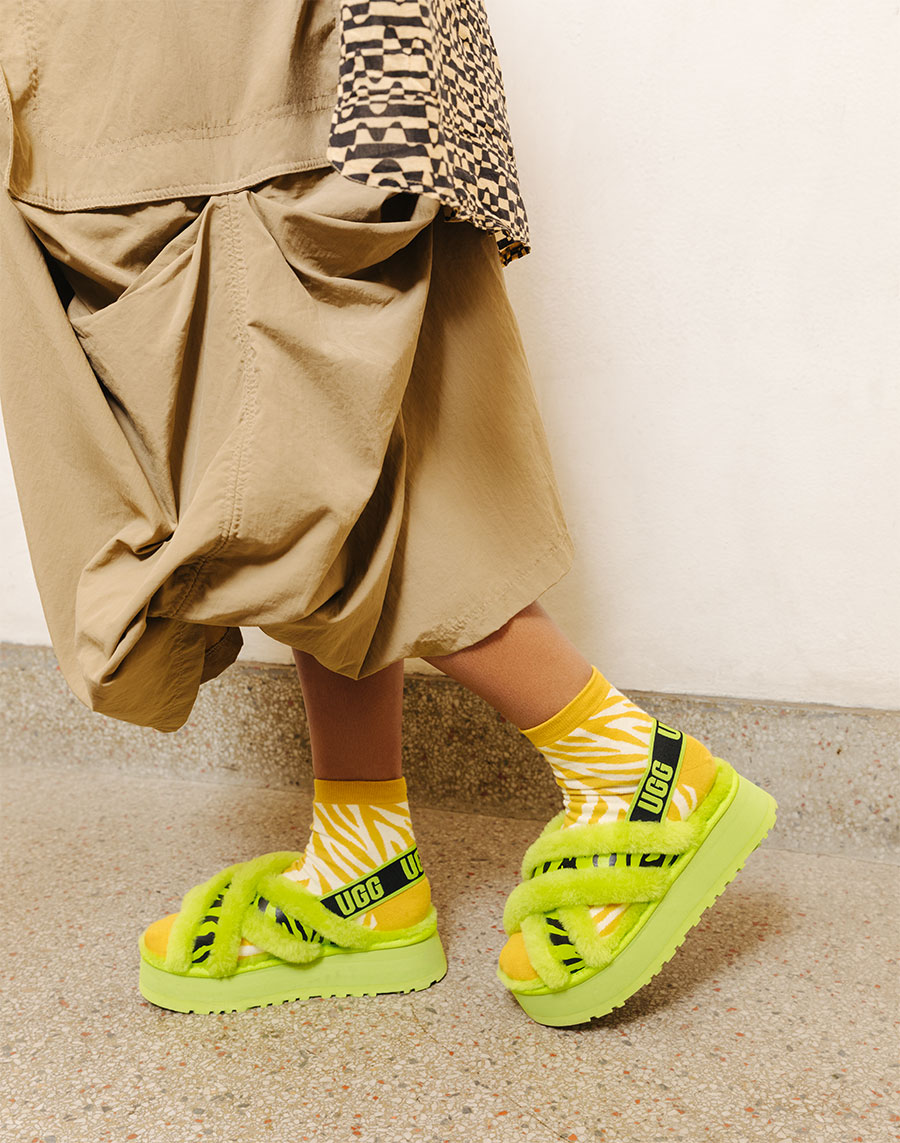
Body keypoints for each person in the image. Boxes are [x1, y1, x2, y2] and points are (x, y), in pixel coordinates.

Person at [0, 1, 777, 1027]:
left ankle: (633, 770)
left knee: (277, 423)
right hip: (142, 76)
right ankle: (363, 854)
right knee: (322, 416)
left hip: (197, 64)